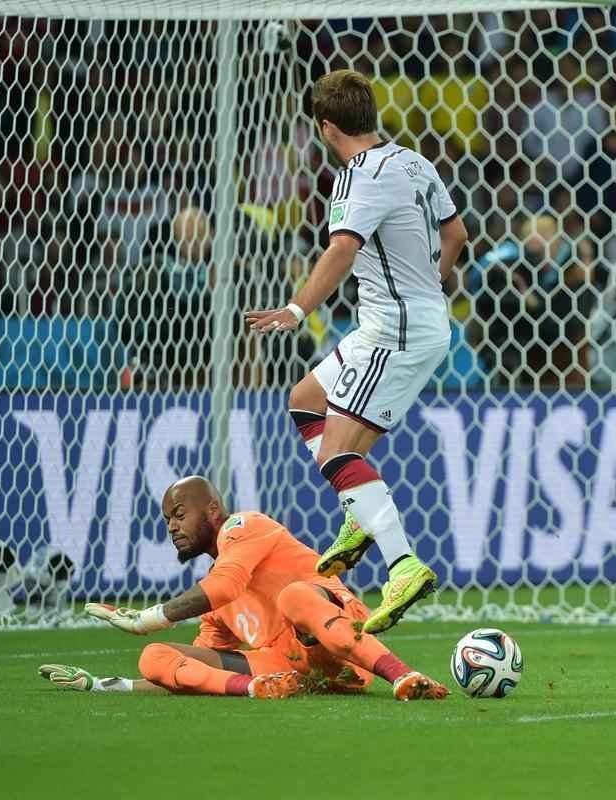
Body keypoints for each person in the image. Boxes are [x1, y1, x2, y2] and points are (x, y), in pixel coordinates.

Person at [244, 70, 470, 634]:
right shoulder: (416, 162)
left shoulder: (354, 179)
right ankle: (359, 518)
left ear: (326, 127)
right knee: (305, 400)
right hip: (398, 324)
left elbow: (343, 248)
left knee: (338, 453)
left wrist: (296, 309)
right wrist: (433, 286)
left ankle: (403, 566)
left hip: (394, 330)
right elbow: (457, 235)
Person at [39, 476, 448, 701]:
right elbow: (194, 671)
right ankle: (254, 689)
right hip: (294, 673)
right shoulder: (214, 599)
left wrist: (151, 617)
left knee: (293, 596)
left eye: (180, 514)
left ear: (213, 510)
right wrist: (105, 685)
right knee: (154, 656)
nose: (172, 527)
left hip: (337, 641)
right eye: (167, 521)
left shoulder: (244, 526)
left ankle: (403, 676)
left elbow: (224, 585)